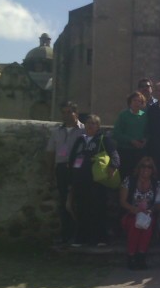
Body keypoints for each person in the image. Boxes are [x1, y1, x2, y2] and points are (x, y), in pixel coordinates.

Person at [68, 115, 119, 247]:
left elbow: (114, 154)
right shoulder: (80, 140)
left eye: (94, 123)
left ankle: (101, 238)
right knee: (82, 208)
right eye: (88, 123)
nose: (90, 125)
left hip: (97, 180)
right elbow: (73, 157)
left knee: (99, 208)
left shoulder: (103, 139)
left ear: (98, 126)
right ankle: (81, 238)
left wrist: (113, 166)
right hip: (81, 179)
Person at [46, 101, 84, 244]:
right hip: (61, 168)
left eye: (69, 112)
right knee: (64, 201)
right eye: (64, 112)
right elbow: (50, 152)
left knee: (77, 201)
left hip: (78, 169)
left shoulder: (84, 130)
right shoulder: (56, 131)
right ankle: (65, 234)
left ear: (76, 113)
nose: (66, 115)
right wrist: (49, 172)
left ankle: (78, 233)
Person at [119, 156, 159, 270]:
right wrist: (134, 210)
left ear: (152, 170)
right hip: (131, 213)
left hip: (148, 215)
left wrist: (151, 210)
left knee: (147, 226)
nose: (146, 169)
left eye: (149, 167)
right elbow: (122, 201)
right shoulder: (129, 180)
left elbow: (159, 203)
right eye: (143, 166)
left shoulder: (156, 183)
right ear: (139, 167)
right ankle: (131, 255)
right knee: (135, 225)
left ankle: (141, 256)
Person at [113, 91, 148, 179]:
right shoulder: (123, 115)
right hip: (125, 151)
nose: (137, 103)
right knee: (125, 176)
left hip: (139, 152)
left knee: (137, 176)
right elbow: (116, 133)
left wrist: (145, 139)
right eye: (135, 100)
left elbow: (148, 131)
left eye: (139, 101)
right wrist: (131, 141)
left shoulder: (144, 115)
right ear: (130, 102)